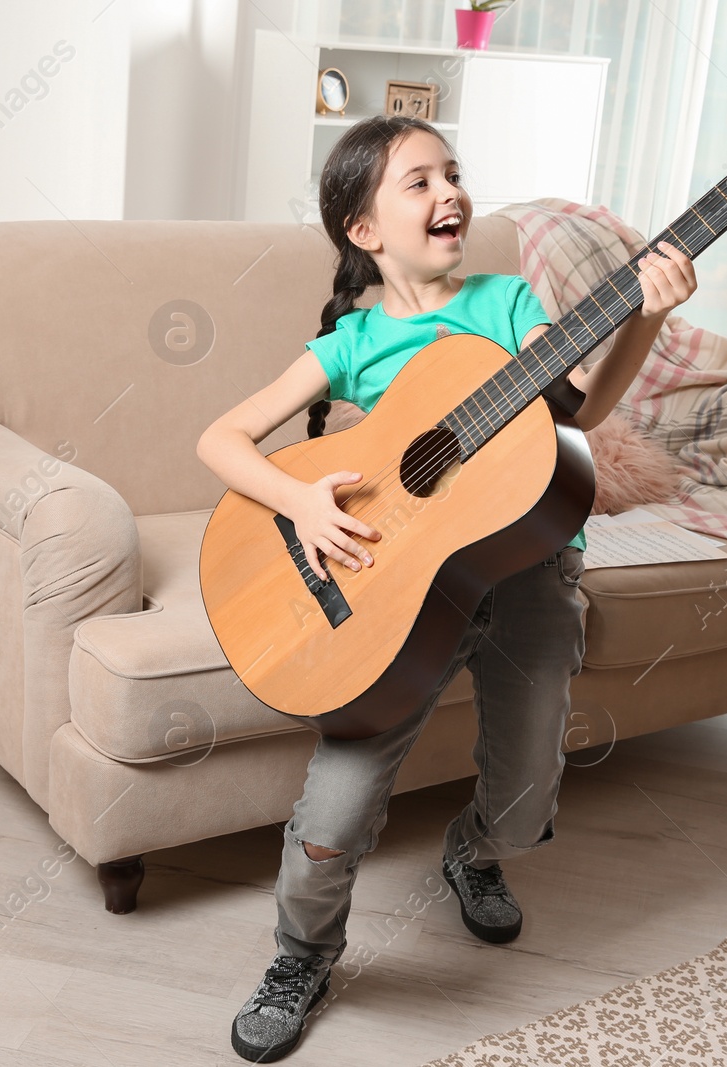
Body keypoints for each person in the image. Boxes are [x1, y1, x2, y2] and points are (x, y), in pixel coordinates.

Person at [195, 115, 696, 1063]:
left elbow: (581, 405)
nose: (448, 193)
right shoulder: (350, 342)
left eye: (452, 173)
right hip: (391, 589)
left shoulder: (508, 304)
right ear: (364, 229)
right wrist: (298, 499)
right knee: (331, 819)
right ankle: (303, 954)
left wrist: (650, 313)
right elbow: (220, 440)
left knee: (524, 800)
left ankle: (472, 849)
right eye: (417, 182)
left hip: (529, 576)